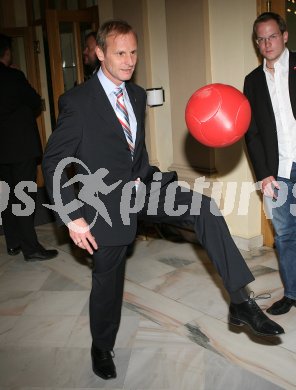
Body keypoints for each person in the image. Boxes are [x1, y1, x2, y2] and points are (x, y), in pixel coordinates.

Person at [42, 20, 284, 381]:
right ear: (100, 53)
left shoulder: (136, 96)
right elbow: (54, 161)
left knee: (204, 208)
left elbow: (133, 151)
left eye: (133, 52)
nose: (128, 61)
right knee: (108, 281)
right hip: (106, 203)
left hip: (143, 188)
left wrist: (151, 179)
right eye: (120, 53)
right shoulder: (77, 102)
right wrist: (73, 215)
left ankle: (240, 302)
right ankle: (101, 346)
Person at [244, 12, 296, 316]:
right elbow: (252, 134)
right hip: (277, 174)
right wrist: (263, 175)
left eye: (272, 36)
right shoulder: (252, 81)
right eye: (261, 38)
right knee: (286, 235)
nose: (267, 43)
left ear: (285, 35)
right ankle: (291, 293)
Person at [0, 34, 58, 262]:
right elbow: (36, 102)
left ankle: (13, 242)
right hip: (20, 147)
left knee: (5, 195)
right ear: (6, 52)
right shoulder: (13, 76)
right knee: (23, 197)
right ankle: (31, 248)